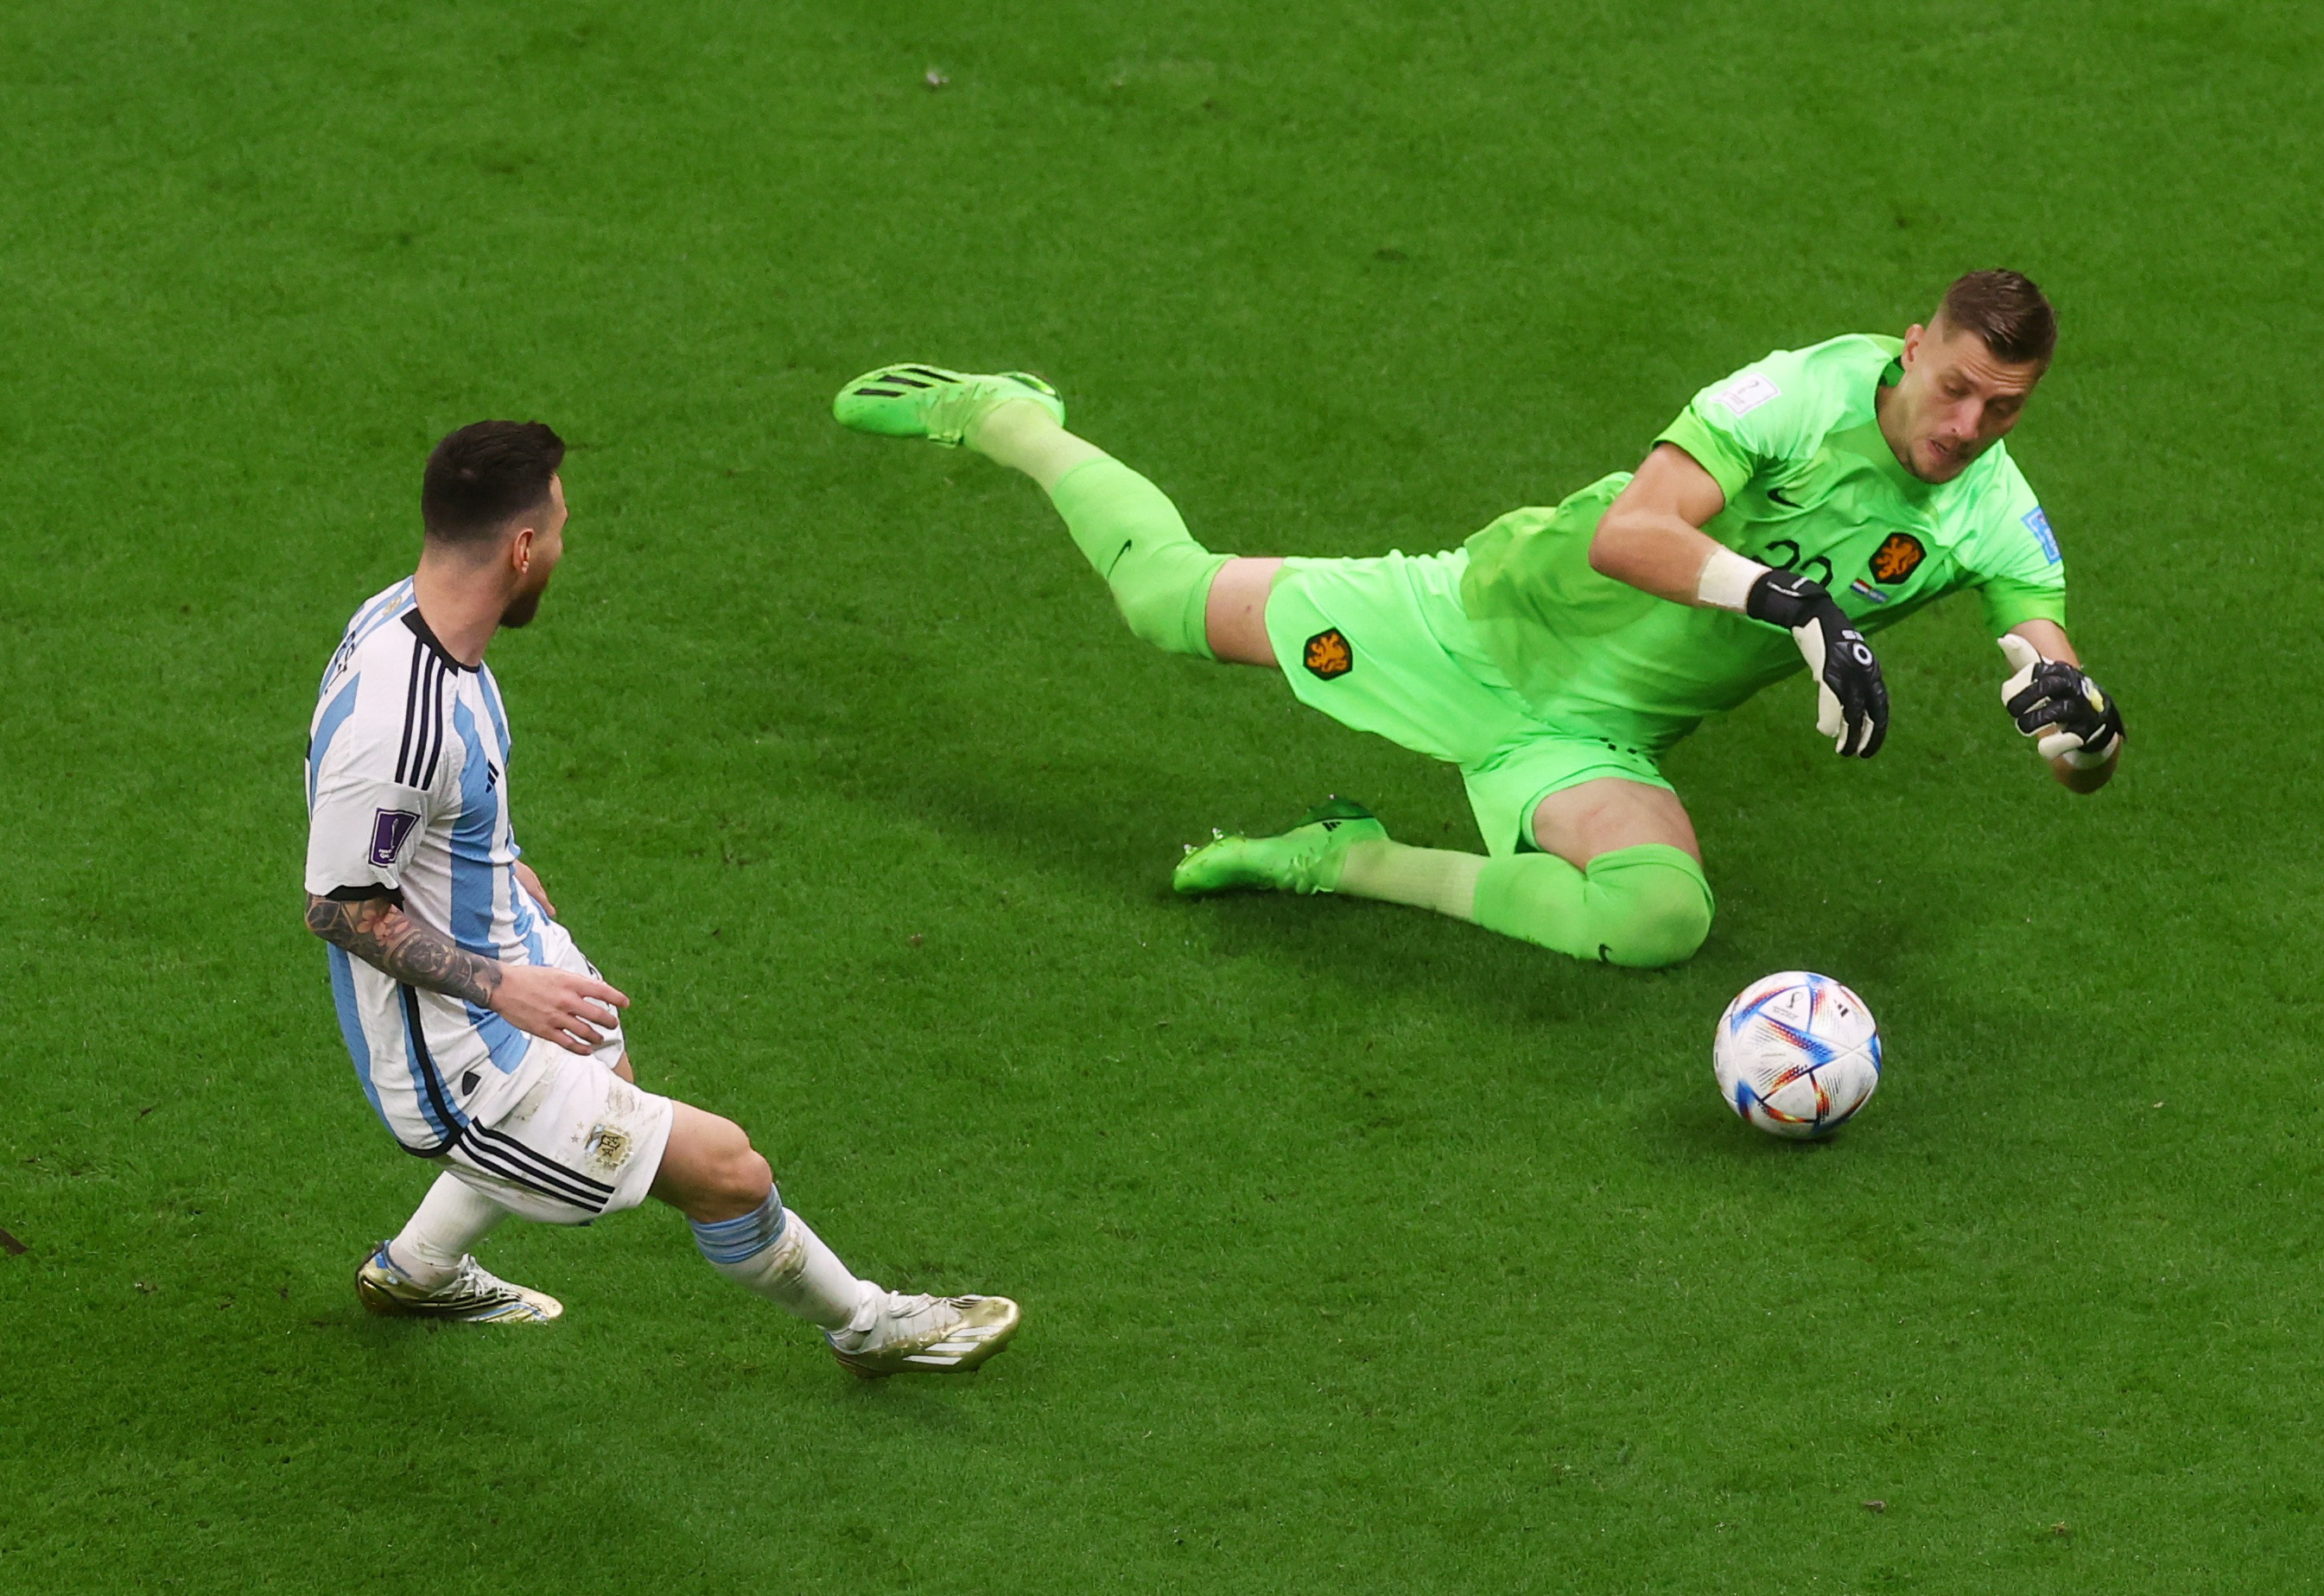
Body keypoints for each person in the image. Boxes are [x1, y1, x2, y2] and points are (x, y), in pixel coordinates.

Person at [831, 270, 2124, 969]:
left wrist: (2083, 732)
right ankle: (1008, 414)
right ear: (1913, 347)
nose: (1966, 427)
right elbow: (1634, 533)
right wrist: (1799, 608)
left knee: (1660, 919)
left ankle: (1347, 858)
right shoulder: (1797, 393)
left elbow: (2055, 688)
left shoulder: (1992, 521)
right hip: (1463, 623)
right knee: (1163, 599)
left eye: (2003, 408)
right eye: (1956, 388)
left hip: (1583, 739)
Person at [303, 420, 1019, 1374]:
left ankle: (417, 1269)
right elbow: (339, 908)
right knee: (730, 1171)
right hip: (461, 1062)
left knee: (612, 1073)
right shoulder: (399, 720)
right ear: (522, 549)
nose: (562, 546)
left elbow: (429, 812)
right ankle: (870, 1325)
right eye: (557, 528)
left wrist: (495, 863)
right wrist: (501, 986)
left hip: (502, 947)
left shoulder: (411, 617)